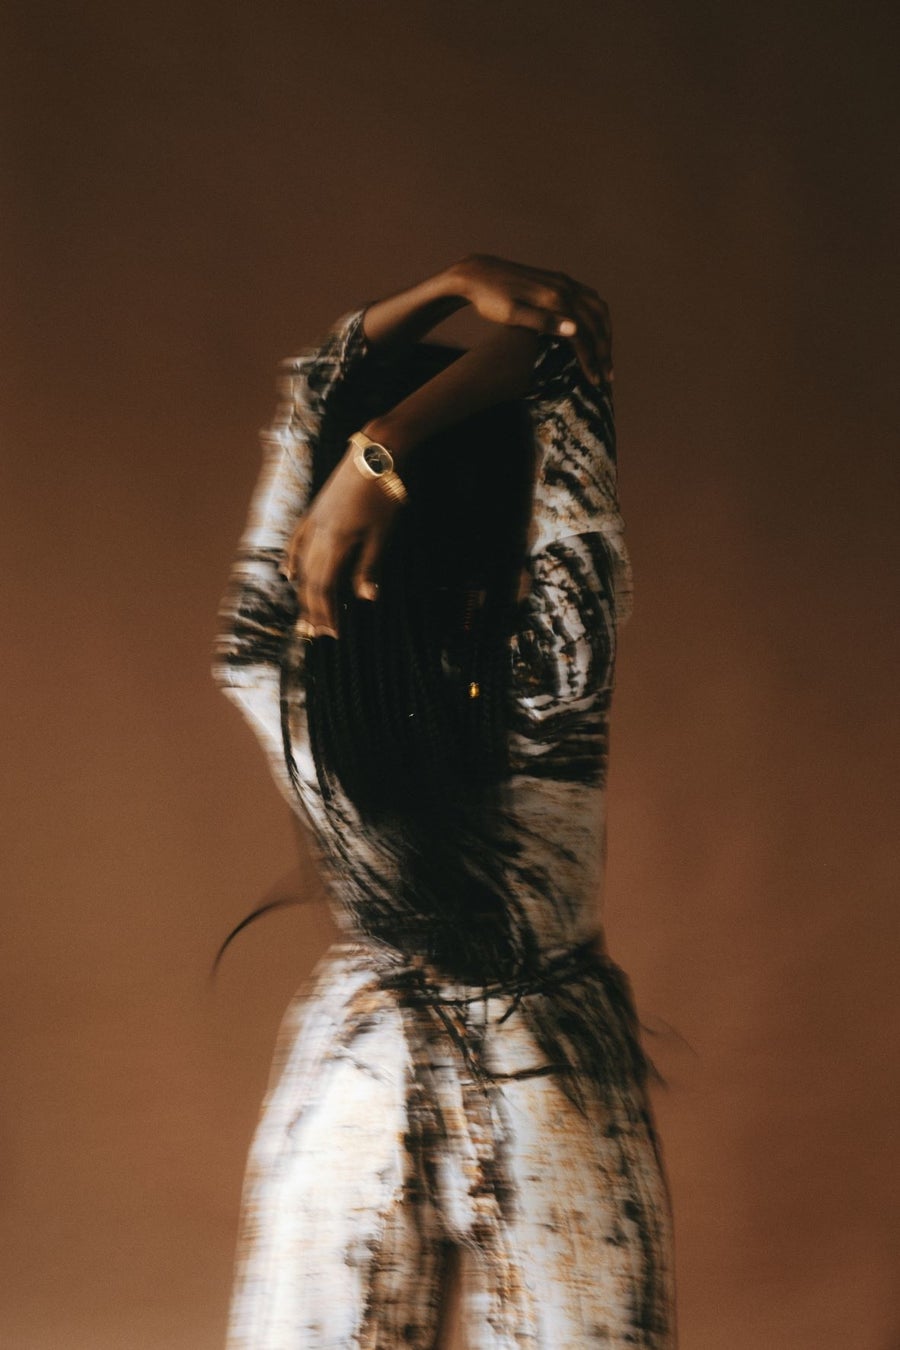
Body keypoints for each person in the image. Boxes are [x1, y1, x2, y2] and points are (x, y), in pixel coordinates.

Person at [211, 253, 678, 1348]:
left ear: (318, 537)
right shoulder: (556, 669)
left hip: (356, 1064)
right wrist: (385, 454)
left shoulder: (270, 670)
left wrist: (438, 297)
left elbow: (310, 389)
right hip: (547, 1065)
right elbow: (566, 351)